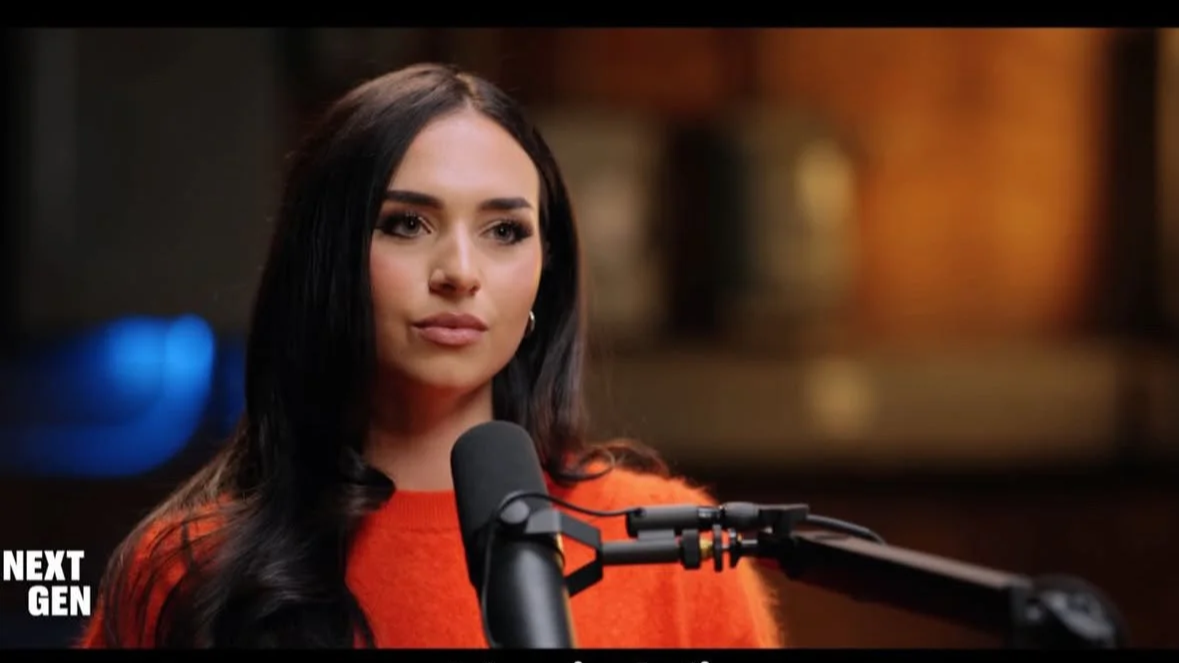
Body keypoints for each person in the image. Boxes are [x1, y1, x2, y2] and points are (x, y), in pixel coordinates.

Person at [77, 62, 784, 649]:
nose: (459, 270)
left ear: (546, 269)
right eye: (406, 223)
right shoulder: (185, 569)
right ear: (328, 260)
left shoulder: (674, 555)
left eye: (504, 230)